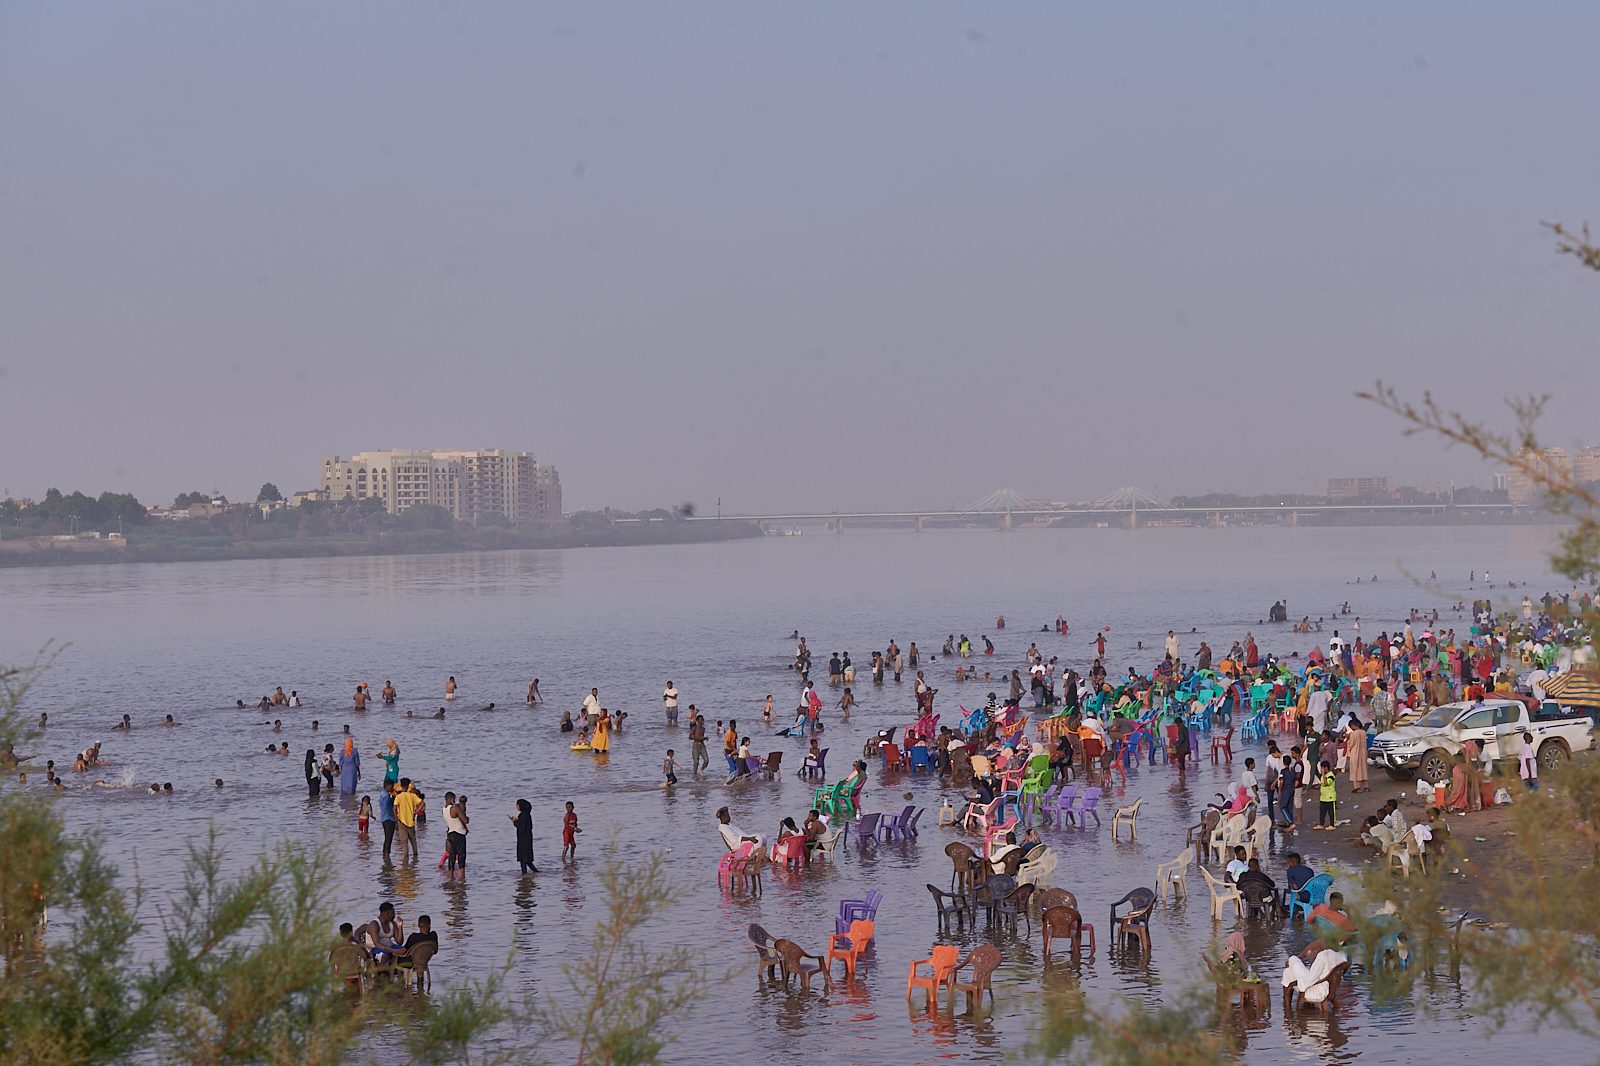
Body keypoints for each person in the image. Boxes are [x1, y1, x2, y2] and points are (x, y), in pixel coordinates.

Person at [394, 778, 422, 861]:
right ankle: (415, 859)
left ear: (401, 786)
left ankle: (405, 861)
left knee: (404, 843)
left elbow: (394, 808)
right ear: (408, 786)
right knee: (413, 841)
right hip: (411, 821)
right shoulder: (412, 796)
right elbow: (422, 803)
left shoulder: (398, 797)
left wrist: (397, 819)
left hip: (401, 822)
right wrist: (416, 812)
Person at [442, 792, 469, 875]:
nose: (455, 801)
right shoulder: (455, 808)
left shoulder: (444, 809)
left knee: (452, 856)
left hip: (450, 834)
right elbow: (466, 820)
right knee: (461, 856)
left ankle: (450, 876)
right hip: (459, 834)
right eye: (454, 799)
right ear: (451, 799)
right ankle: (462, 877)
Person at [511, 798, 538, 873]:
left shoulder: (522, 815)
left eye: (517, 805)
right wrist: (517, 821)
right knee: (527, 859)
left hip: (523, 840)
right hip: (528, 839)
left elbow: (522, 828)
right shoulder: (527, 815)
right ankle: (535, 872)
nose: (516, 807)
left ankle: (524, 875)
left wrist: (515, 822)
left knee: (523, 859)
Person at [1315, 760, 1337, 830]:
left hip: (1330, 797)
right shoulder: (1322, 776)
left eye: (1322, 768)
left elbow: (1327, 783)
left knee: (1331, 812)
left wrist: (1324, 775)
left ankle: (1332, 825)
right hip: (1323, 797)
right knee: (1322, 812)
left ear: (1326, 768)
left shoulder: (1331, 775)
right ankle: (1321, 824)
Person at [379, 781, 398, 862]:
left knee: (387, 836)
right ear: (388, 786)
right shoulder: (387, 796)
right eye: (391, 786)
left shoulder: (382, 794)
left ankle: (385, 851)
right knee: (389, 837)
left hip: (383, 818)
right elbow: (389, 807)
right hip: (389, 818)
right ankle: (387, 853)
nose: (392, 788)